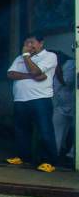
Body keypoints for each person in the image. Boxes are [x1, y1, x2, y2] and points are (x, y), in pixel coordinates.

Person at [6, 33, 59, 173]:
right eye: (26, 43)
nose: (28, 46)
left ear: (41, 43)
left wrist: (26, 56)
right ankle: (23, 156)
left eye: (31, 42)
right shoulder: (19, 58)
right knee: (21, 130)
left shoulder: (50, 56)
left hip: (40, 99)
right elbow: (10, 74)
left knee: (44, 131)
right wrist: (31, 76)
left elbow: (36, 70)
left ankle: (48, 161)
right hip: (20, 99)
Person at [53, 51, 75, 160]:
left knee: (75, 130)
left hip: (71, 104)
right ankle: (56, 153)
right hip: (59, 104)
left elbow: (66, 82)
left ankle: (72, 155)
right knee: (57, 130)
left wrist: (57, 68)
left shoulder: (70, 64)